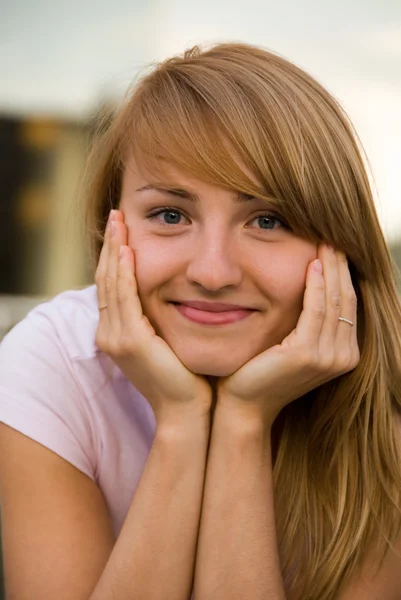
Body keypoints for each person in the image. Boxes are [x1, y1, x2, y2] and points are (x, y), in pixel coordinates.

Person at [0, 41, 400, 600]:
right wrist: (182, 422)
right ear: (112, 230)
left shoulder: (387, 406)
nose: (213, 272)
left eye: (267, 219)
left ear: (340, 248)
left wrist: (242, 423)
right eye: (169, 214)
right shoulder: (53, 360)